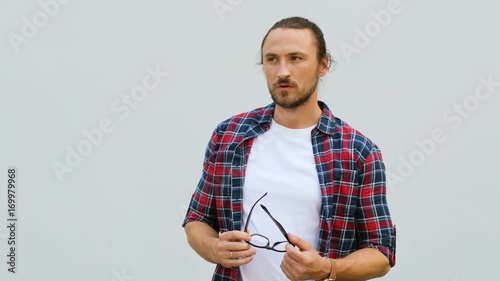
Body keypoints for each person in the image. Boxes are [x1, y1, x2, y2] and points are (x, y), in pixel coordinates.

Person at [182, 16, 396, 281]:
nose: (282, 71)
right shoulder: (229, 136)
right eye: (272, 59)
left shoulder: (357, 151)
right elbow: (197, 219)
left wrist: (328, 269)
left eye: (296, 58)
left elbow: (382, 252)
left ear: (323, 65)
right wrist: (214, 248)